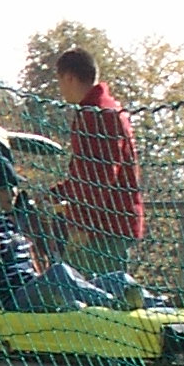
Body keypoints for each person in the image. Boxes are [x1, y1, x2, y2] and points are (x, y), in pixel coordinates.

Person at [0, 146, 122, 311]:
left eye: (15, 186)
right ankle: (113, 305)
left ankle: (140, 308)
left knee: (119, 280)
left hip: (35, 287)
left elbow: (47, 253)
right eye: (4, 187)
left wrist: (43, 219)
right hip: (11, 300)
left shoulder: (13, 221)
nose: (13, 193)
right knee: (59, 273)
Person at [52, 46, 144, 260]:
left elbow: (99, 175)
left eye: (60, 81)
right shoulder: (105, 108)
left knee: (85, 280)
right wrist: (60, 193)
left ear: (69, 78)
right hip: (111, 222)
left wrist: (83, 225)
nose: (61, 89)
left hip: (103, 229)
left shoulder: (97, 114)